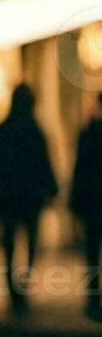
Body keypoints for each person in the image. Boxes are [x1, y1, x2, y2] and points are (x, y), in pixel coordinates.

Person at [0, 85, 57, 313]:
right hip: (29, 196)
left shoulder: (4, 129)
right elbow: (45, 164)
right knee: (29, 242)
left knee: (10, 242)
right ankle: (22, 284)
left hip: (10, 196)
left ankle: (14, 286)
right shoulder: (34, 131)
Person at [71, 94, 102, 320]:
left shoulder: (89, 133)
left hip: (92, 202)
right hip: (93, 201)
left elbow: (80, 170)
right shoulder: (89, 133)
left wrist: (75, 199)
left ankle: (93, 298)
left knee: (92, 252)